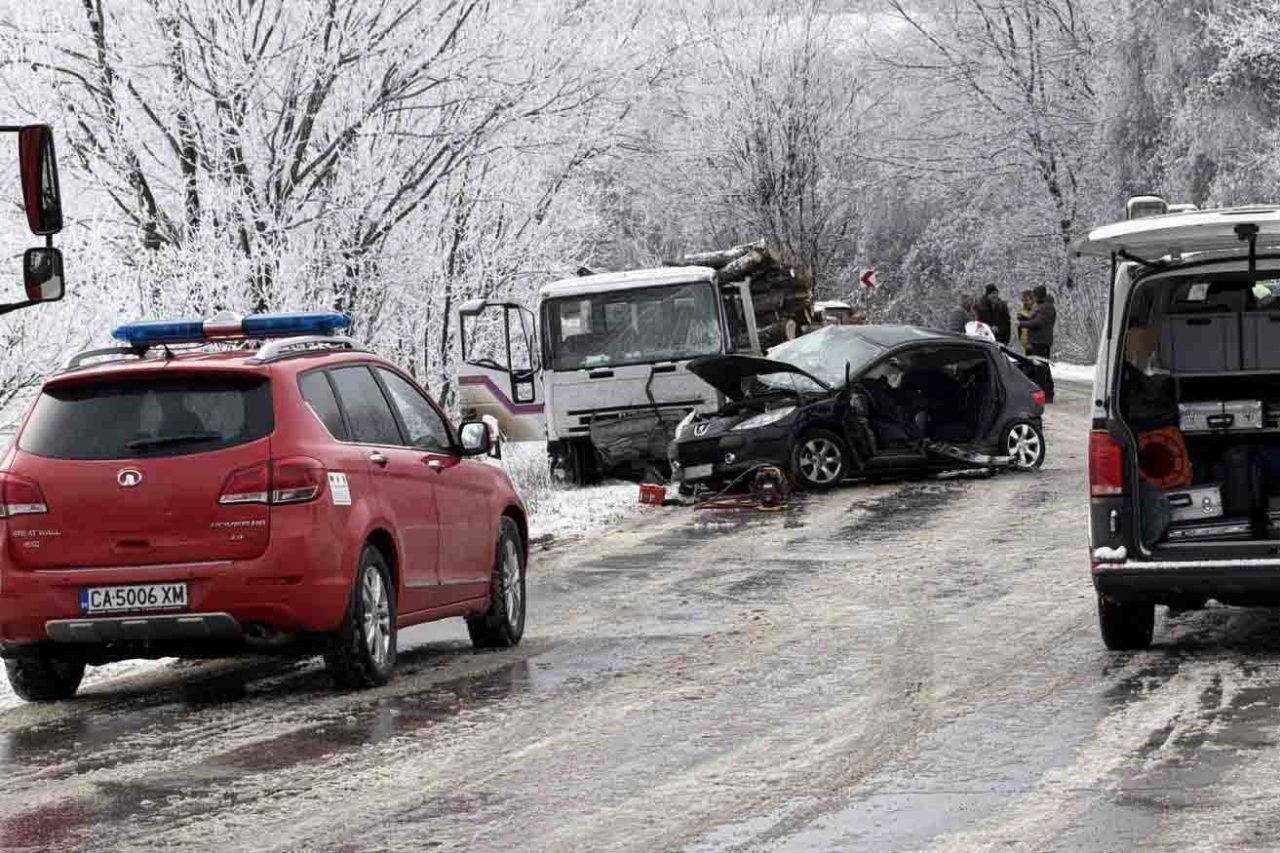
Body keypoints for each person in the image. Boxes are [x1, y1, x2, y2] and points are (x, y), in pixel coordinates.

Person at [1019, 285, 1057, 403]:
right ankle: (1047, 393)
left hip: (1041, 341)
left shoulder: (1045, 307)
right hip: (1039, 340)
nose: (1033, 298)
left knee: (1041, 369)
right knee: (1042, 367)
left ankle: (1044, 393)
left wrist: (1022, 323)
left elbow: (1038, 322)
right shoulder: (1044, 306)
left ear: (1038, 296)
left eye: (1034, 296)